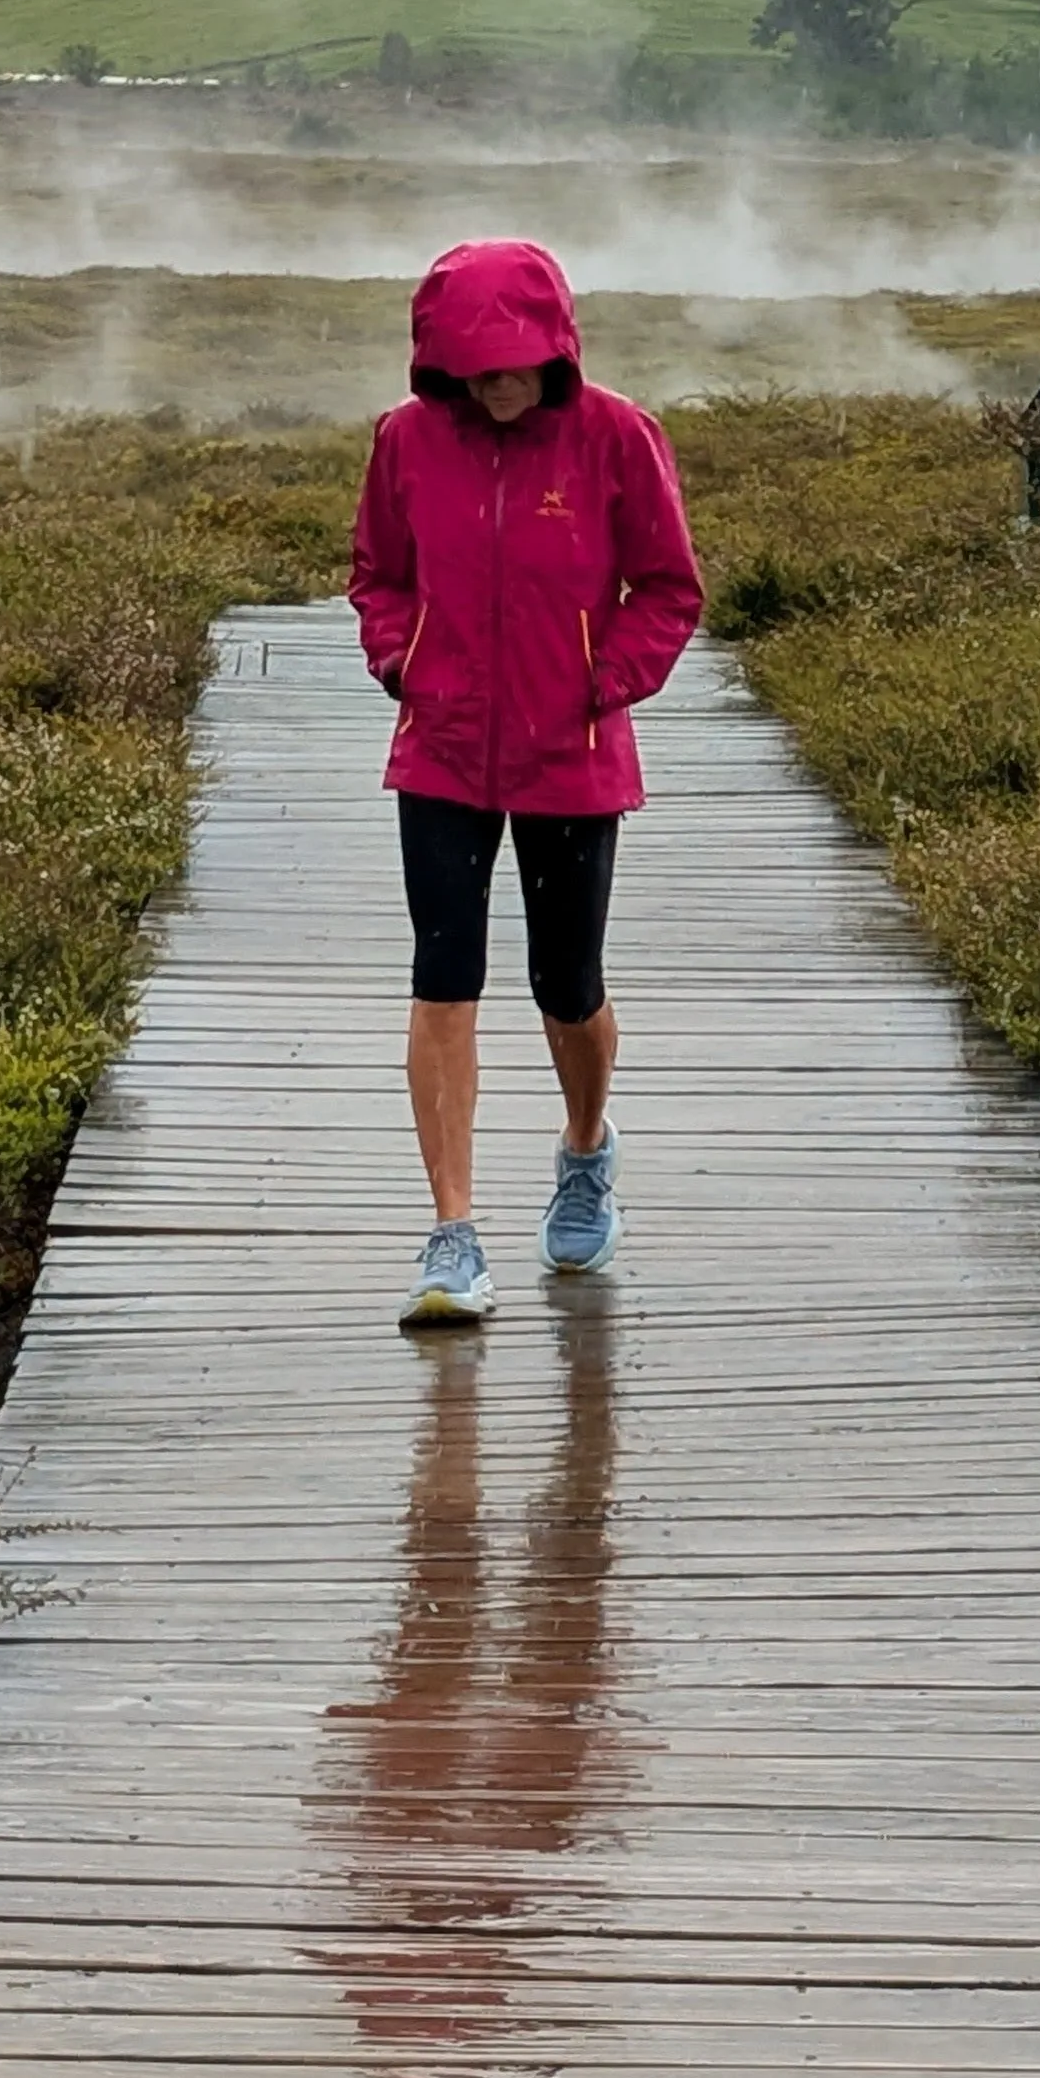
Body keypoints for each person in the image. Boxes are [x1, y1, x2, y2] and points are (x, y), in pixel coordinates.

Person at [347, 239, 701, 1328]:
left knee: (567, 982)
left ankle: (586, 1150)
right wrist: (401, 660)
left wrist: (607, 682)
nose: (496, 386)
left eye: (513, 367)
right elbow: (378, 574)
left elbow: (669, 586)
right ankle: (452, 1234)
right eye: (473, 370)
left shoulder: (617, 436)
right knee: (443, 974)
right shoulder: (406, 439)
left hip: (571, 752)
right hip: (443, 745)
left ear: (555, 350)